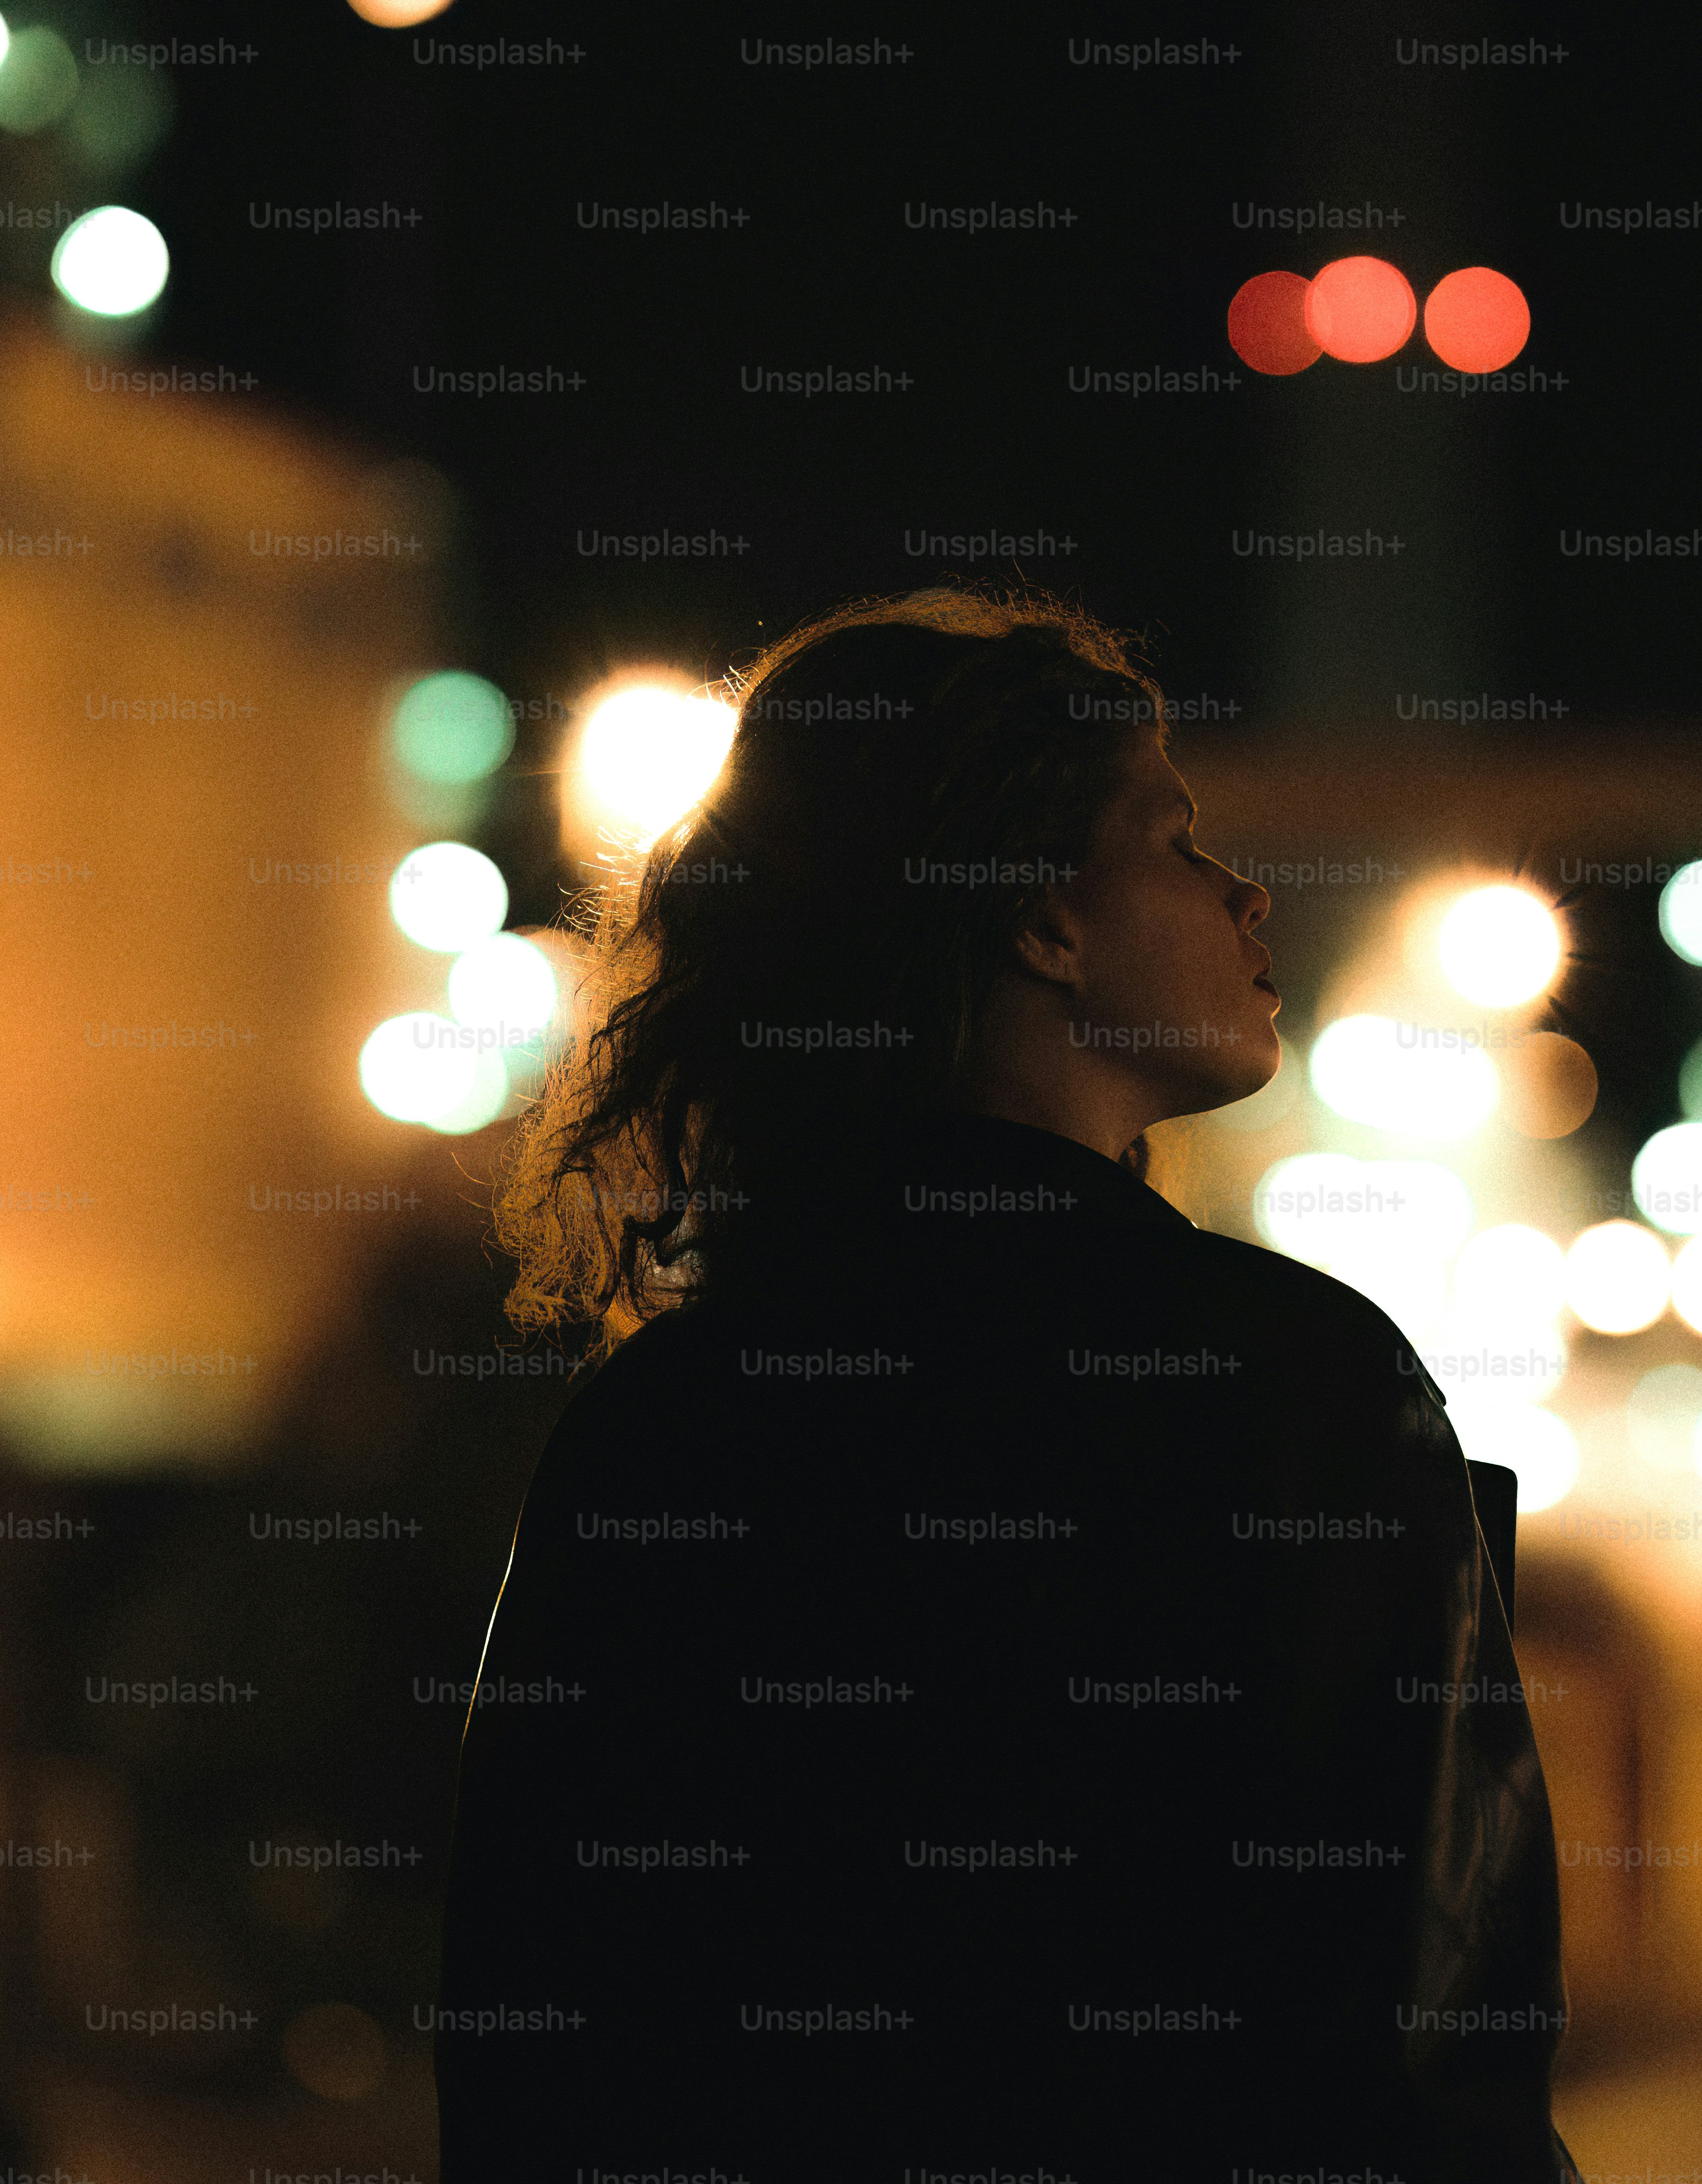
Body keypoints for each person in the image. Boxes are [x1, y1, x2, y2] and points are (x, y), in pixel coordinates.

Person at [437, 587, 1583, 2182]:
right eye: (1176, 841)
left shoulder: (660, 1423)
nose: (1249, 894)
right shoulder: (1295, 1387)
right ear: (1041, 919)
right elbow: (1428, 2025)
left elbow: (533, 2027)